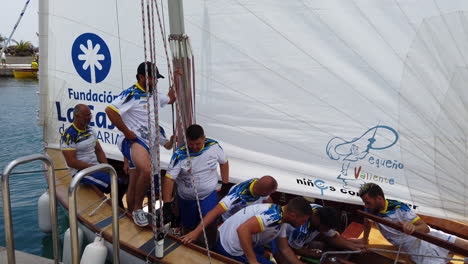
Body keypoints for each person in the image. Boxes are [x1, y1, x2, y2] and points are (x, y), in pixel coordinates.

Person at [105, 61, 175, 226]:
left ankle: (130, 213)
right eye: (152, 78)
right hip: (133, 140)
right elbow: (110, 111)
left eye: (156, 79)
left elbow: (171, 98)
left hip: (148, 143)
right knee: (146, 169)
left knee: (135, 179)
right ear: (141, 77)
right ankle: (137, 210)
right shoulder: (132, 93)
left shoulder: (155, 95)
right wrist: (127, 132)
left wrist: (177, 78)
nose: (155, 81)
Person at [358, 183, 468, 264]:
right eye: (365, 203)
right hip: (413, 247)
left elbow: (425, 228)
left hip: (427, 236)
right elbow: (367, 221)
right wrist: (365, 239)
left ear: (379, 199)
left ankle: (448, 254)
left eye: (368, 202)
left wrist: (412, 228)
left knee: (465, 245)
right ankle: (448, 255)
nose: (366, 206)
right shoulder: (371, 209)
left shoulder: (400, 208)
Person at [162, 124, 230, 245]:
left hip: (208, 195)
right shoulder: (179, 154)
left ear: (204, 138)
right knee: (188, 225)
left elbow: (224, 162)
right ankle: (191, 247)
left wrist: (225, 184)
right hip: (187, 198)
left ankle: (212, 246)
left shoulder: (214, 146)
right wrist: (167, 203)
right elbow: (169, 179)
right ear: (186, 140)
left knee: (210, 223)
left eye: (198, 144)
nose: (194, 147)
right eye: (191, 144)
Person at [61, 104, 126, 207]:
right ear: (77, 116)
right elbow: (71, 162)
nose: (89, 118)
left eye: (90, 115)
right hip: (81, 172)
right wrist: (95, 167)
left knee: (122, 183)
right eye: (86, 115)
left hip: (95, 167)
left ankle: (116, 205)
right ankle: (116, 207)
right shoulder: (69, 135)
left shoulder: (90, 130)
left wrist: (106, 166)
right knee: (114, 184)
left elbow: (99, 150)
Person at [181, 176, 278, 244]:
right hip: (232, 223)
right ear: (264, 191)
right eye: (270, 192)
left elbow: (267, 199)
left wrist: (275, 211)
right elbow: (214, 212)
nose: (270, 195)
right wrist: (196, 232)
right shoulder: (237, 195)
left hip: (250, 216)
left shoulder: (259, 184)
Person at [216, 197, 312, 264]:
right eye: (303, 220)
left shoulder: (281, 217)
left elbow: (285, 249)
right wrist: (253, 261)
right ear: (293, 215)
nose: (303, 224)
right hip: (230, 247)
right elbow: (243, 229)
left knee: (265, 256)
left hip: (229, 239)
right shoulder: (273, 216)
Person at [273, 204, 367, 264]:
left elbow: (333, 236)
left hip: (300, 238)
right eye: (326, 228)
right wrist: (321, 255)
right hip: (279, 239)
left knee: (327, 238)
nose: (327, 230)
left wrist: (354, 248)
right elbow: (296, 250)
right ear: (317, 220)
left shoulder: (318, 209)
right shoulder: (301, 229)